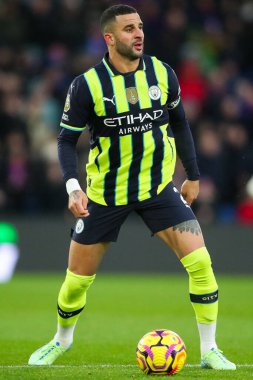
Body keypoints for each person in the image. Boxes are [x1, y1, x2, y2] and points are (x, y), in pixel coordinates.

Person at [28, 4, 236, 370]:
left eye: (139, 27)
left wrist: (193, 174)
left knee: (201, 262)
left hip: (158, 189)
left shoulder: (162, 72)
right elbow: (65, 141)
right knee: (76, 282)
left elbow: (181, 123)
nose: (138, 34)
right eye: (128, 29)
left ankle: (209, 350)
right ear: (109, 38)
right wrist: (73, 187)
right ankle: (61, 339)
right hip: (105, 196)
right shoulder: (86, 86)